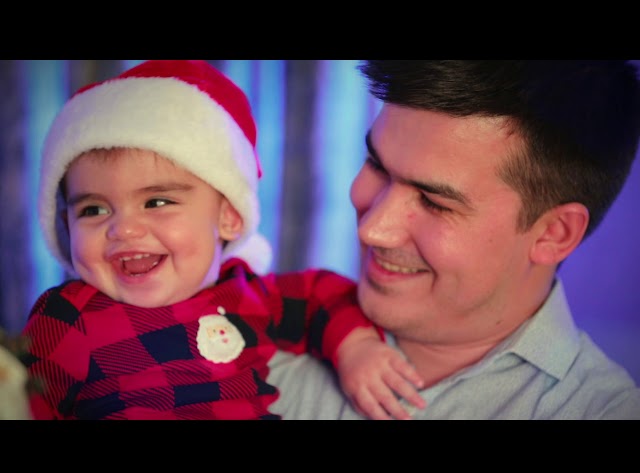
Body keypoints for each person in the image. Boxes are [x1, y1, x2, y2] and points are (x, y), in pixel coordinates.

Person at [21, 60, 426, 420]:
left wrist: (355, 348)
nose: (122, 229)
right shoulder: (68, 318)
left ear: (229, 218)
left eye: (156, 202)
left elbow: (322, 295)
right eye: (93, 209)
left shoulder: (248, 295)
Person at [267, 60, 640, 420]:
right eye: (376, 165)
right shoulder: (258, 327)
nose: (372, 230)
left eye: (434, 202)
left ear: (553, 234)